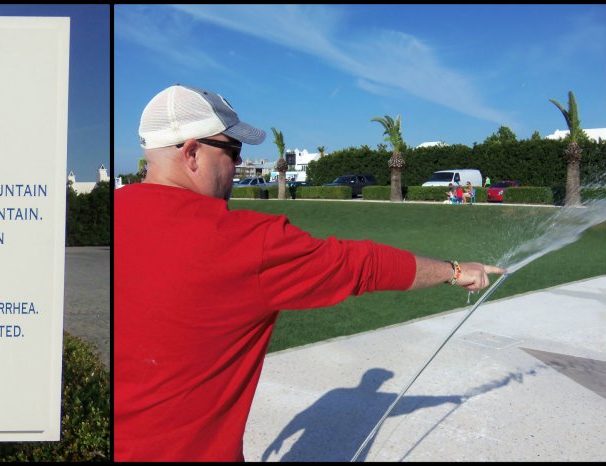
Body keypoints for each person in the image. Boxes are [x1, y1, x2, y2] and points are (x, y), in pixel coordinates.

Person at [115, 84, 506, 461]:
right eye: (233, 152)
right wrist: (455, 271)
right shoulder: (247, 242)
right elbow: (363, 264)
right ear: (191, 153)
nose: (235, 167)